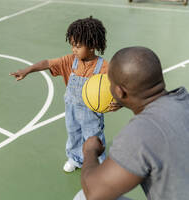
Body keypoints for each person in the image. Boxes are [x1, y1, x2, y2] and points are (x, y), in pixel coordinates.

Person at [75, 46, 189, 200]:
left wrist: (90, 151)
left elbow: (94, 192)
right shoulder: (183, 99)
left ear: (120, 92)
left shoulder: (140, 133)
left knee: (83, 197)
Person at [10, 16, 119, 172]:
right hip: (72, 109)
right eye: (72, 45)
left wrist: (119, 103)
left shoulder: (104, 67)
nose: (73, 49)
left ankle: (97, 162)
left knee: (93, 137)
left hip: (92, 113)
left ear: (92, 45)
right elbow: (47, 63)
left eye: (78, 46)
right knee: (73, 133)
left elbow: (118, 86)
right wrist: (27, 70)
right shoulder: (70, 61)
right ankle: (75, 158)